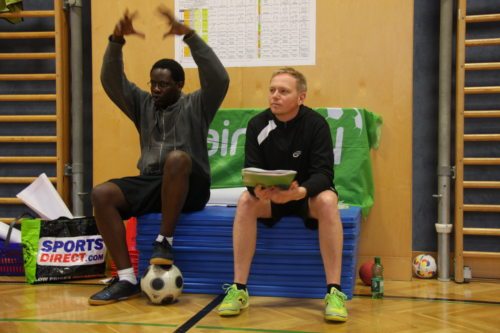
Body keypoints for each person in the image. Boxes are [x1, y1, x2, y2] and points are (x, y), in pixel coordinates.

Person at [88, 7, 229, 305]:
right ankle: (126, 278)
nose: (155, 89)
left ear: (179, 85)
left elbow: (219, 79)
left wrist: (190, 37)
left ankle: (164, 241)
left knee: (177, 159)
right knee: (102, 194)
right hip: (154, 182)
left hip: (192, 184)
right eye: (153, 82)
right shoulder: (142, 104)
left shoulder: (197, 105)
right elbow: (111, 82)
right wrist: (116, 40)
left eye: (163, 84)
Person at [217, 67, 347, 322]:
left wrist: (299, 192)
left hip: (304, 197)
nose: (275, 96)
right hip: (271, 200)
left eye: (283, 91)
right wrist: (258, 189)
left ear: (301, 97)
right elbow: (251, 171)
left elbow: (324, 174)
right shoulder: (257, 124)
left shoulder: (316, 125)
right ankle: (239, 289)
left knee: (329, 200)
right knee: (245, 201)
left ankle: (334, 291)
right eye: (272, 90)